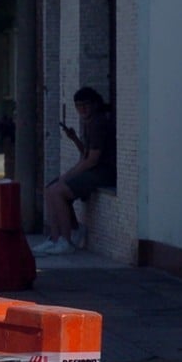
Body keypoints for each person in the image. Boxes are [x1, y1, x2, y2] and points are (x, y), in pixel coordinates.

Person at [32, 87, 116, 256]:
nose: (82, 110)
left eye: (86, 105)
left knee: (57, 191)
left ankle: (66, 240)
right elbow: (86, 152)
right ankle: (56, 238)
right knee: (51, 189)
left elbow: (93, 159)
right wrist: (74, 138)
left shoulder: (99, 123)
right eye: (78, 106)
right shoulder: (89, 123)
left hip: (102, 172)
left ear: (94, 104)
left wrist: (67, 176)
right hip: (94, 170)